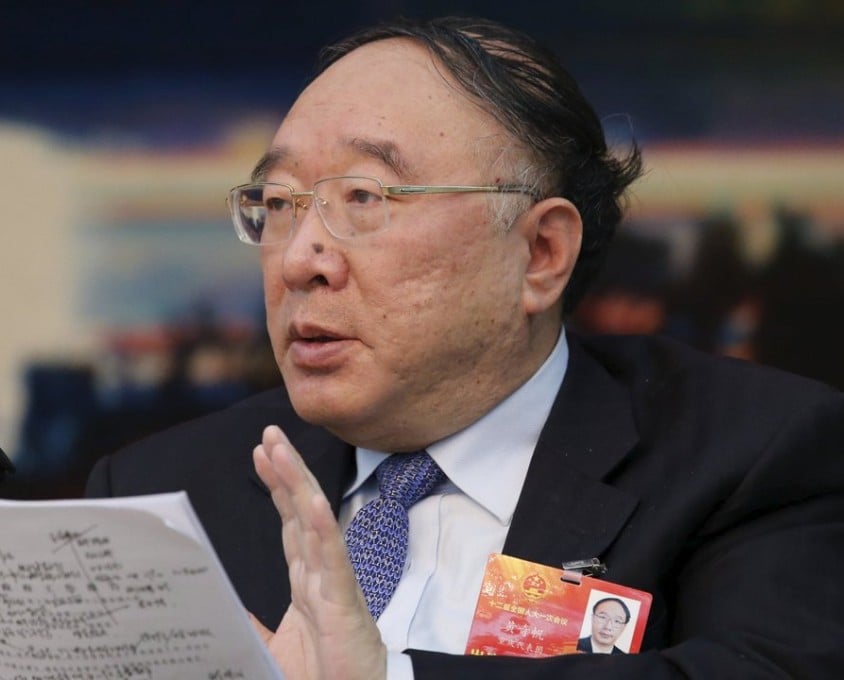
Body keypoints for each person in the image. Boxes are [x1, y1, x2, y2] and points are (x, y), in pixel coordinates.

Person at [86, 16, 844, 679]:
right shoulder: (160, 491)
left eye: (364, 198)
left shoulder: (753, 456)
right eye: (279, 204)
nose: (298, 260)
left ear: (540, 253)